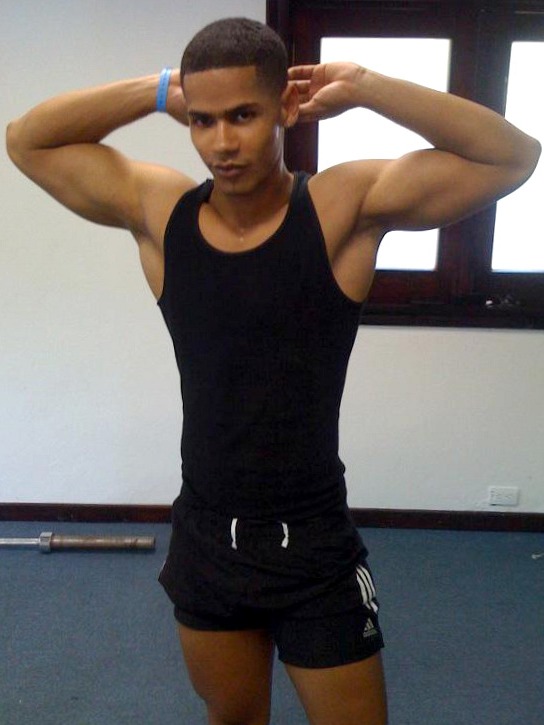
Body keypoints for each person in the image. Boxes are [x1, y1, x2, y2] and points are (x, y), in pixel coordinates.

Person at [6, 16, 540, 725]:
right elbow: (27, 139)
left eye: (243, 115)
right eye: (203, 120)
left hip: (313, 542)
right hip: (207, 537)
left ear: (285, 107)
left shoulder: (340, 209)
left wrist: (368, 85)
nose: (221, 143)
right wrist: (160, 89)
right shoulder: (161, 212)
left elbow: (512, 157)